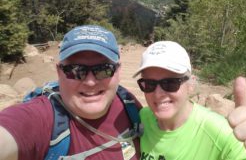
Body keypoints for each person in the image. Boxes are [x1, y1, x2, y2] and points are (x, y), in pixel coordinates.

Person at [0, 25, 142, 160]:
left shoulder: (128, 103)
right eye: (76, 70)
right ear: (59, 72)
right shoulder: (42, 118)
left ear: (118, 71)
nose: (90, 82)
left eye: (104, 69)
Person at [133, 41, 246, 160]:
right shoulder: (143, 116)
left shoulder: (222, 133)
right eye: (149, 84)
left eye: (170, 83)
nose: (158, 93)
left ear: (191, 84)